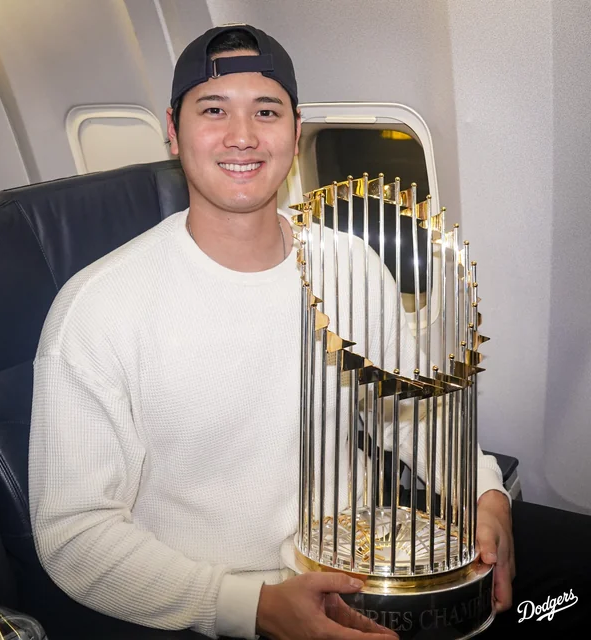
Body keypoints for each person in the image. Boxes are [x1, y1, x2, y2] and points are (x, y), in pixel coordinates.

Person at [28, 24, 516, 639]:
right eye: (214, 110)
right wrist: (250, 606)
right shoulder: (98, 308)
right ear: (173, 132)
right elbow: (74, 537)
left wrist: (484, 493)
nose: (242, 136)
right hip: (215, 602)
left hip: (364, 567)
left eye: (266, 110)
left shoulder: (348, 265)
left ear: (296, 128)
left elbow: (408, 414)